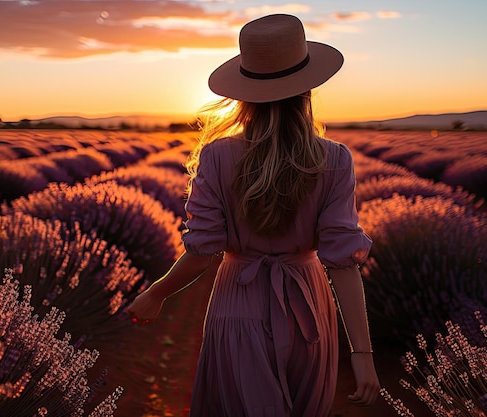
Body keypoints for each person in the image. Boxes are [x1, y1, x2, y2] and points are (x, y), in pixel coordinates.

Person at [127, 13, 380, 417]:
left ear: (244, 92)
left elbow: (201, 252)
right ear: (307, 88)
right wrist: (362, 353)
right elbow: (343, 263)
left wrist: (156, 293)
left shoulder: (216, 155)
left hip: (236, 306)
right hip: (309, 312)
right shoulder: (334, 159)